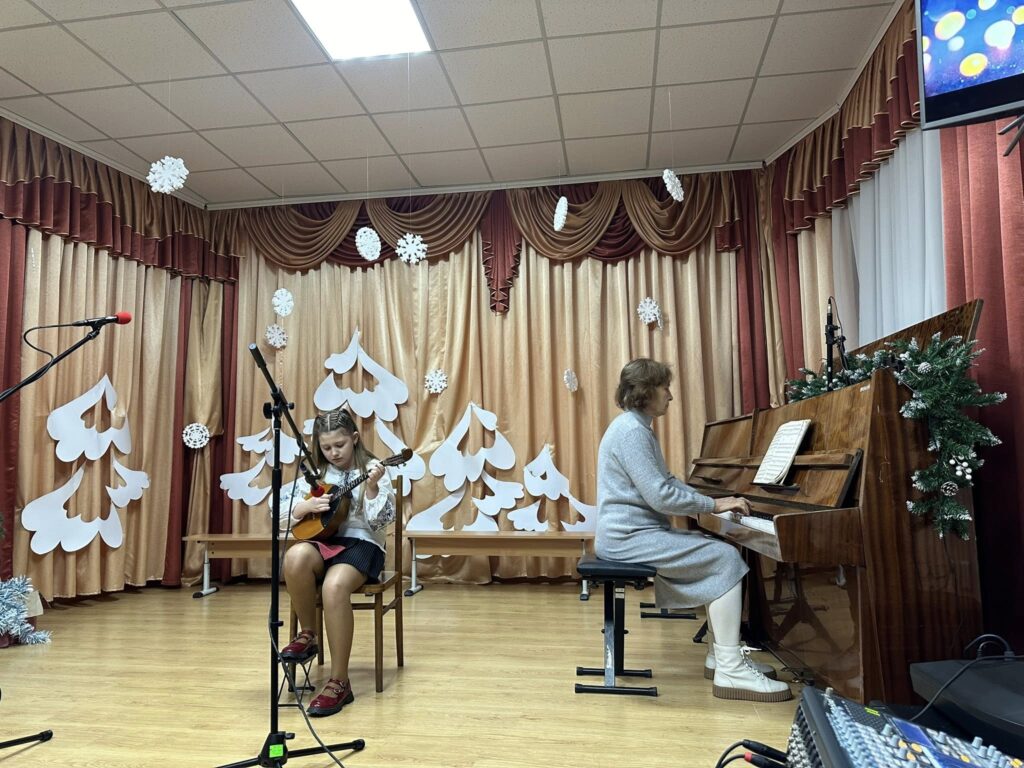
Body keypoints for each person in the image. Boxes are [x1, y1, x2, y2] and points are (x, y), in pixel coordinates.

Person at [595, 358, 791, 702]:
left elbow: (667, 482)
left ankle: (720, 656)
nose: (670, 396)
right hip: (627, 538)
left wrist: (712, 500)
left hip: (633, 533)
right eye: (664, 388)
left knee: (711, 550)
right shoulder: (632, 432)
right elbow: (660, 495)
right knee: (724, 557)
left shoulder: (636, 427)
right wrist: (714, 504)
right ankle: (730, 669)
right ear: (646, 392)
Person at [273, 407, 396, 717]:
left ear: (354, 438)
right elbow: (279, 516)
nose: (333, 453)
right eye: (326, 447)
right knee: (295, 556)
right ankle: (309, 635)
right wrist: (305, 507)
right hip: (325, 540)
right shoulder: (318, 473)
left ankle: (340, 681)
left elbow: (381, 521)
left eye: (339, 445)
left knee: (333, 587)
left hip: (363, 543)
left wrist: (372, 488)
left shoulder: (374, 468)